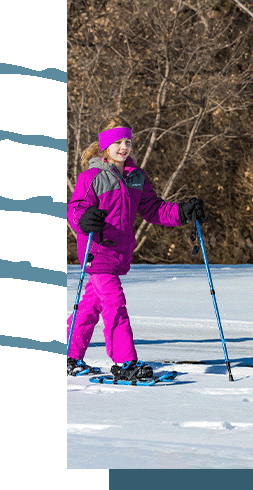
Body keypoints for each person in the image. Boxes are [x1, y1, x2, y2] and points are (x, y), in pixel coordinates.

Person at [67, 115, 207, 379]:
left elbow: (154, 208)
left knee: (90, 306)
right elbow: (75, 209)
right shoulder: (92, 177)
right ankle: (125, 362)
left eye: (128, 142)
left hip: (119, 253)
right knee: (114, 303)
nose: (124, 147)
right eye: (118, 142)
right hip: (97, 253)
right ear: (105, 146)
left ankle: (69, 354)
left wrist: (183, 212)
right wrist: (83, 219)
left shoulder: (135, 177)